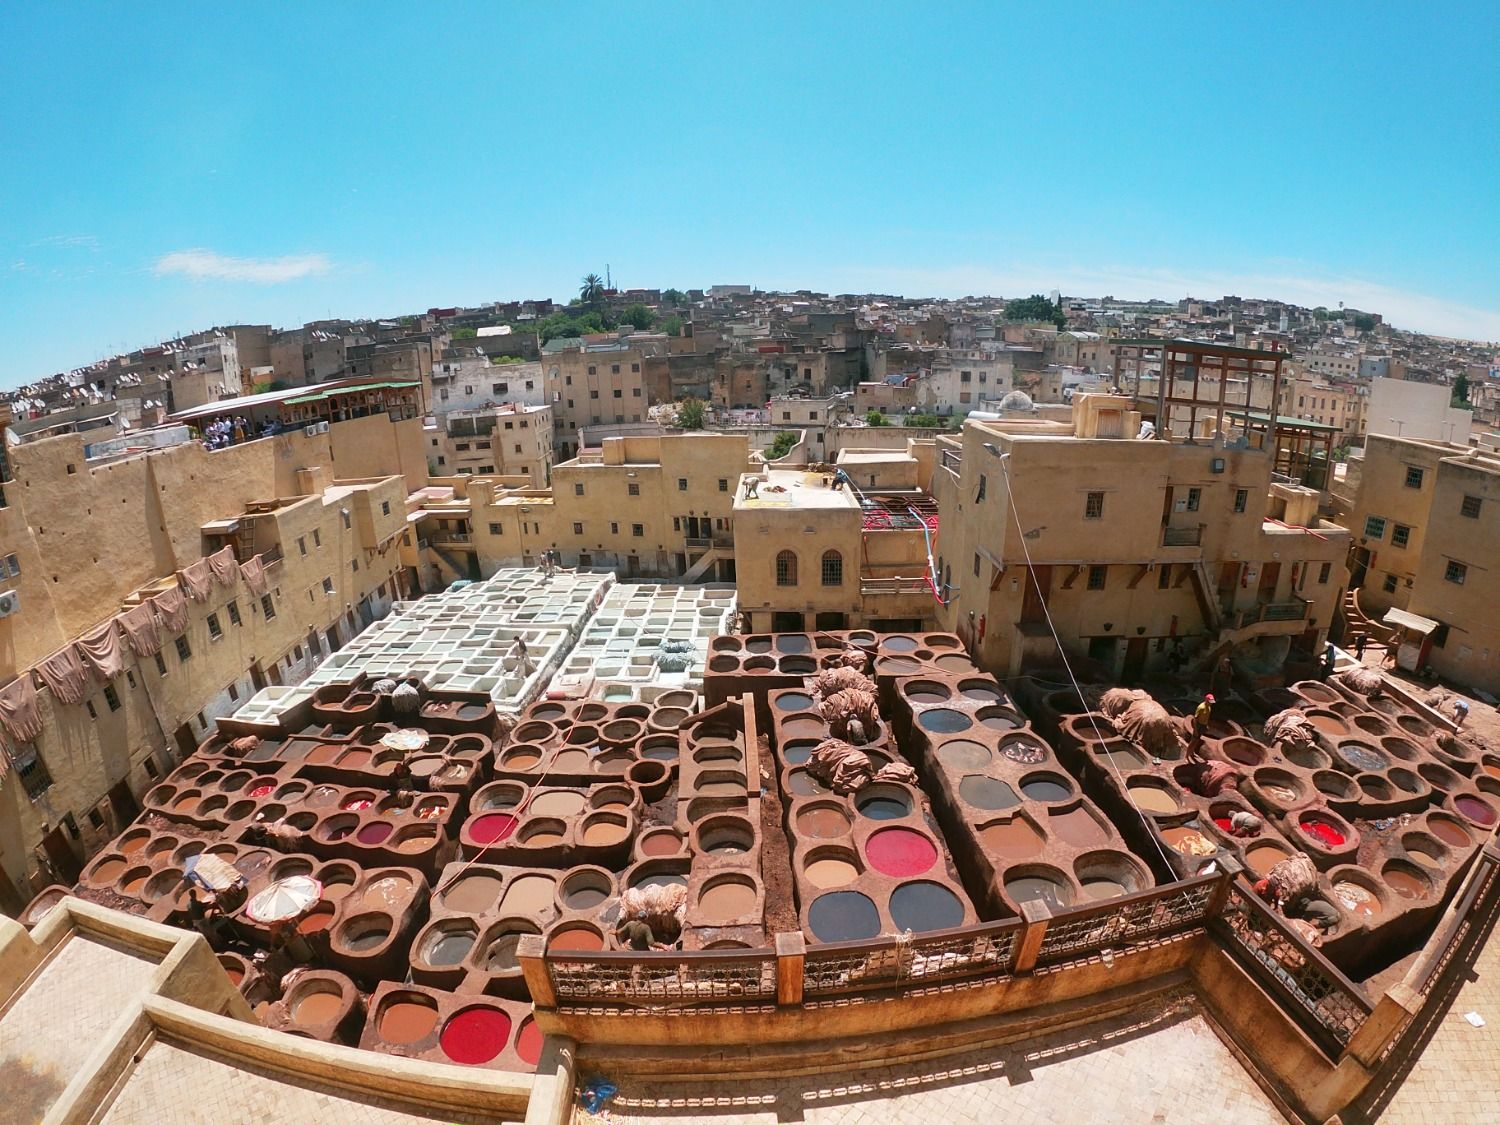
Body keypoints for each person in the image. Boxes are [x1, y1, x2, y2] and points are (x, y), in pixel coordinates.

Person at [1189, 694, 1214, 761]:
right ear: (1206, 700)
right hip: (1198, 725)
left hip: (1203, 725)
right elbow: (1195, 719)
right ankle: (1187, 754)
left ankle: (1192, 752)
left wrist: (1206, 725)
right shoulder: (1201, 707)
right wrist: (1196, 729)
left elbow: (1206, 717)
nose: (1211, 703)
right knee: (1193, 740)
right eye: (1210, 701)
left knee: (1197, 739)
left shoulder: (1209, 707)